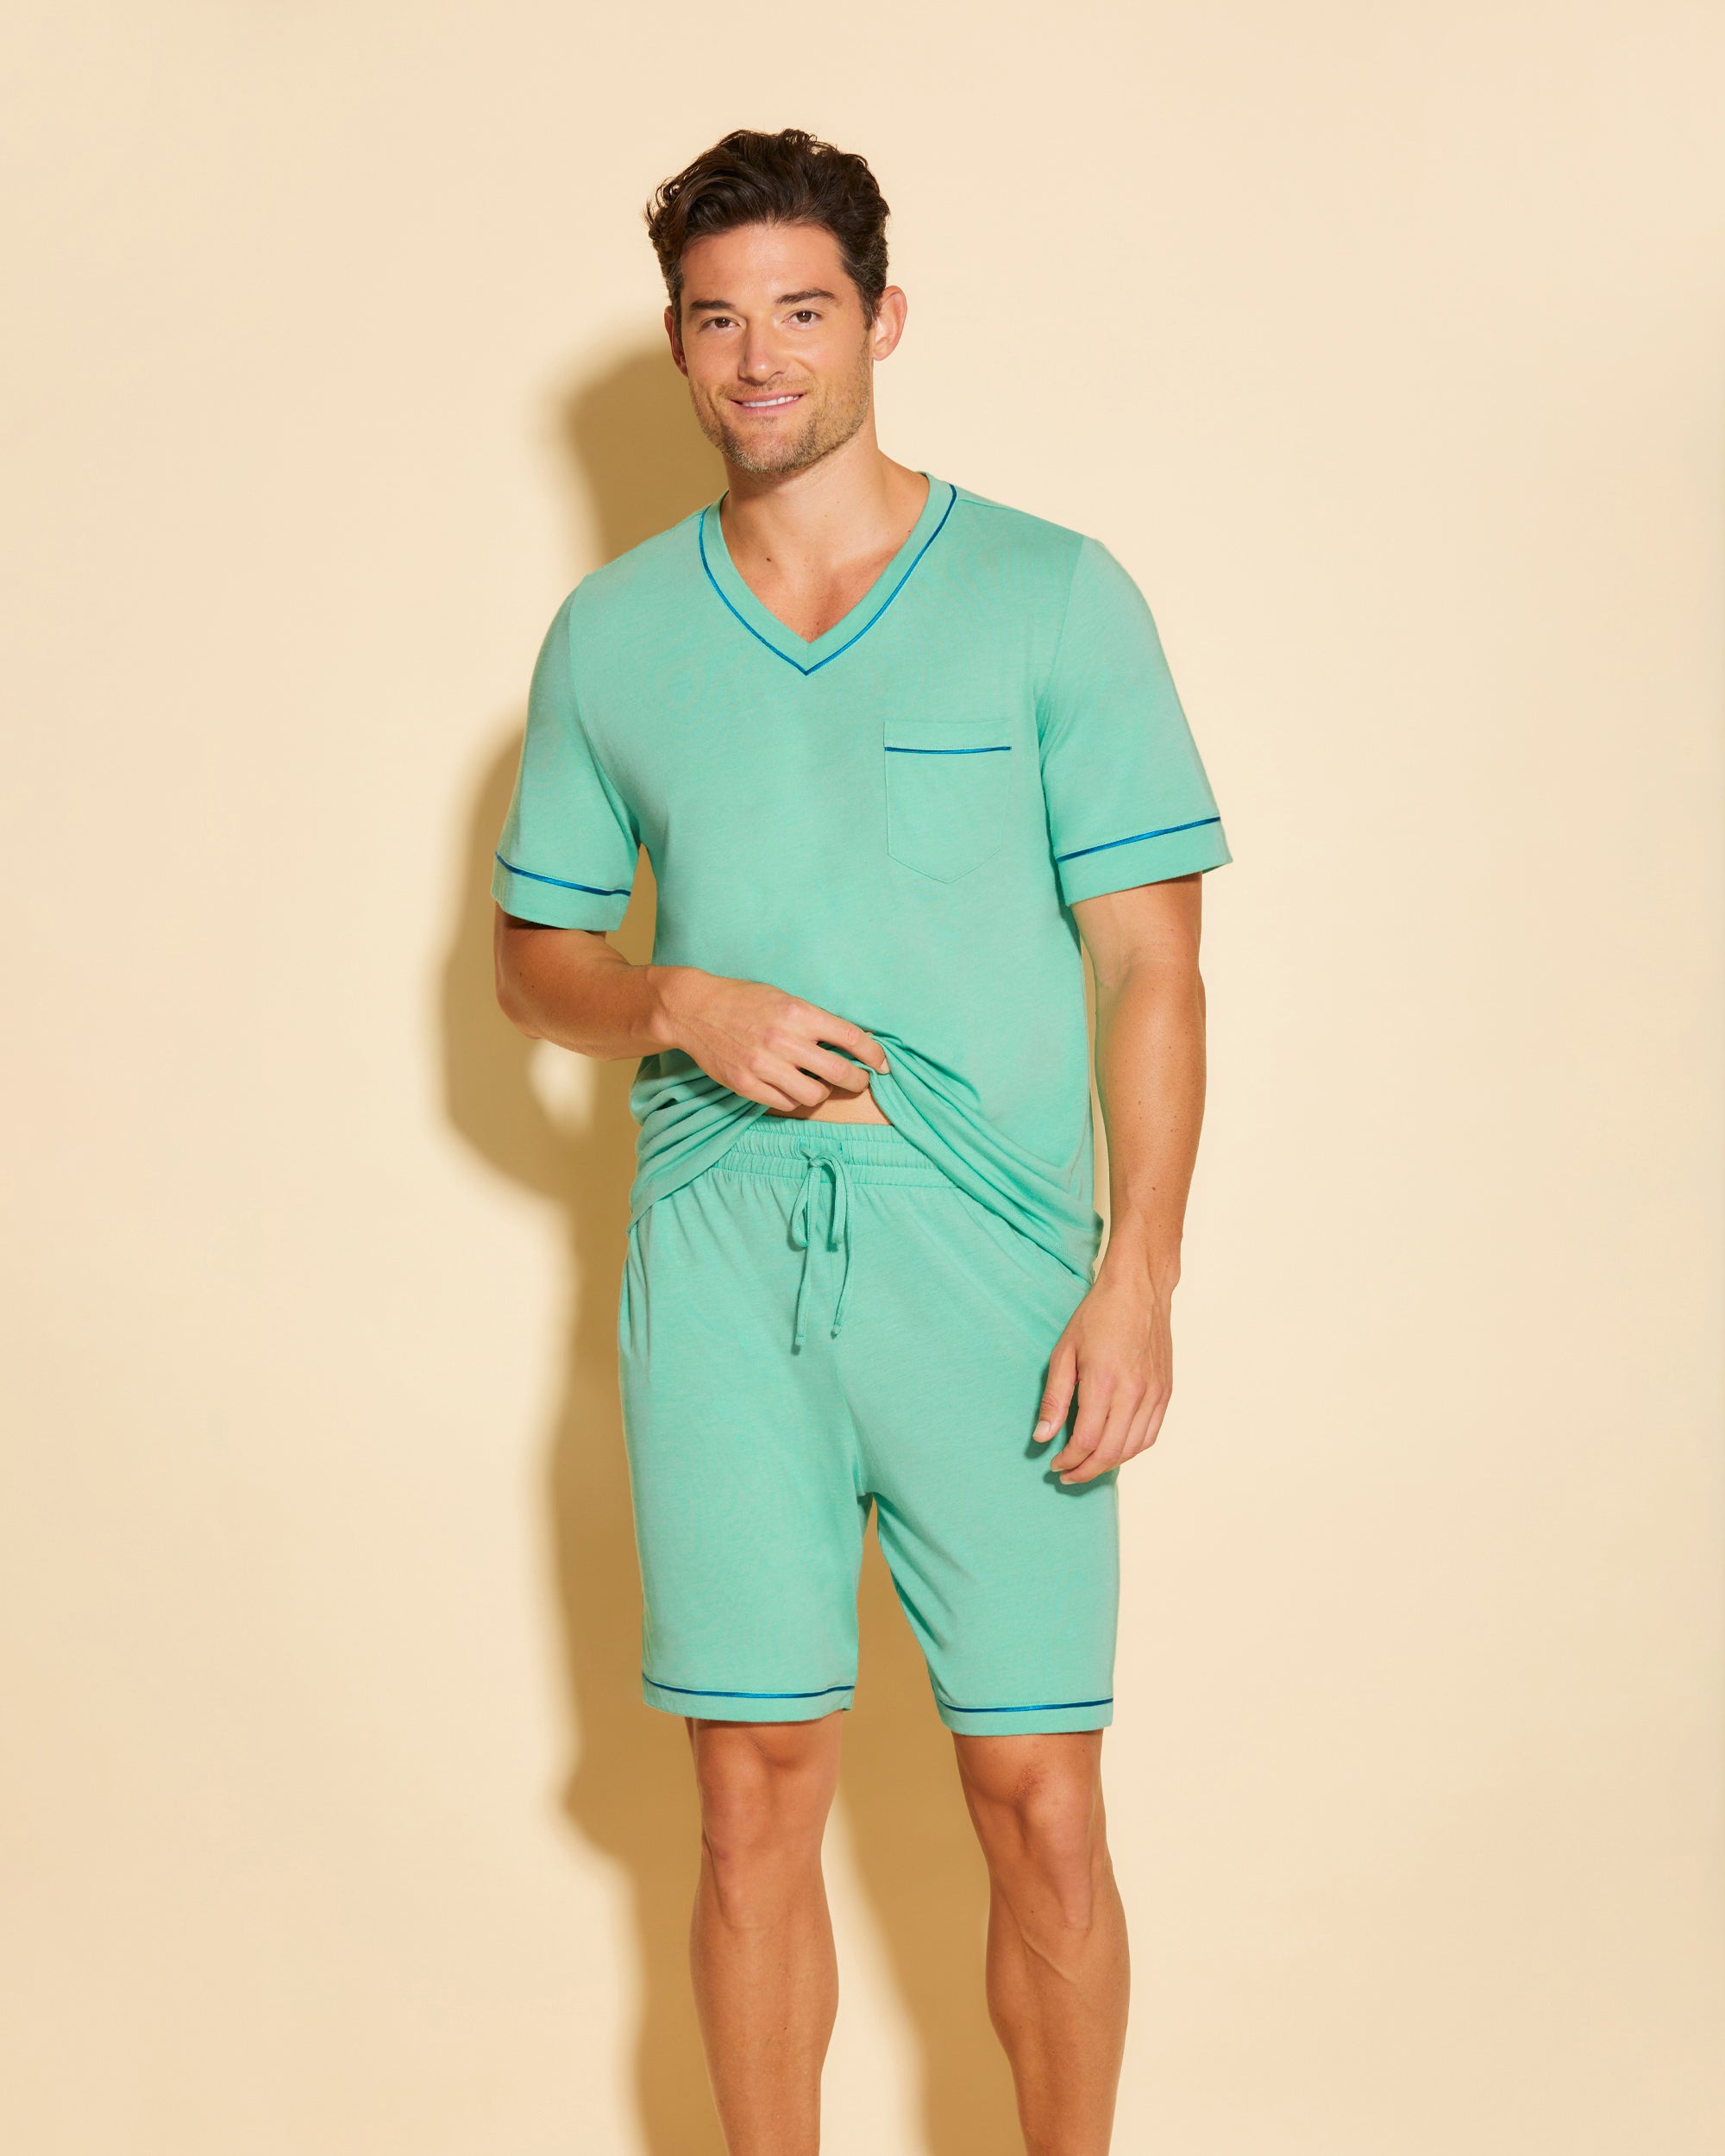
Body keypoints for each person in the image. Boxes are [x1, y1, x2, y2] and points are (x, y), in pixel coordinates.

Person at [492, 125, 1232, 2156]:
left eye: (801, 310)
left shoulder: (1050, 594)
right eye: (718, 319)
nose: (761, 358)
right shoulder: (611, 634)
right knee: (751, 1792)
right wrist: (675, 1001)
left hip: (993, 1270)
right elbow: (534, 961)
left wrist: (1138, 1273)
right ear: (678, 344)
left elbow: (1153, 967)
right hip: (721, 1259)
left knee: (1040, 1794)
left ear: (882, 320)